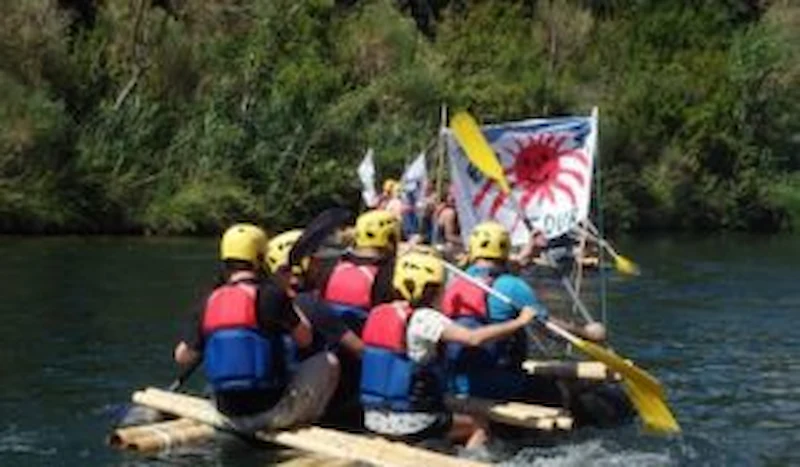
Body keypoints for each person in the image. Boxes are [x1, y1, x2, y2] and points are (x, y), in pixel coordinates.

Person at [360, 251, 536, 448]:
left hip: (372, 417)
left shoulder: (378, 312)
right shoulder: (425, 318)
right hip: (412, 421)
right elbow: (473, 338)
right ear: (432, 289)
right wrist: (519, 322)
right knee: (479, 426)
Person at [173, 224, 337, 432]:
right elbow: (306, 339)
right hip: (269, 414)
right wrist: (285, 296)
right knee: (328, 361)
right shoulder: (271, 295)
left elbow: (182, 357)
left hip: (224, 413)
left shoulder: (209, 299)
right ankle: (312, 422)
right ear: (260, 258)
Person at [440, 221, 605, 401]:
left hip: (452, 381)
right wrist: (587, 333)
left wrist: (530, 251)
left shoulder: (456, 280)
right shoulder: (513, 287)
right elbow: (549, 330)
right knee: (562, 392)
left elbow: (507, 267)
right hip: (498, 382)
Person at [318, 209, 400, 334]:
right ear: (390, 238)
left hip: (328, 337)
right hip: (364, 338)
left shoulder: (333, 264)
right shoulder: (388, 273)